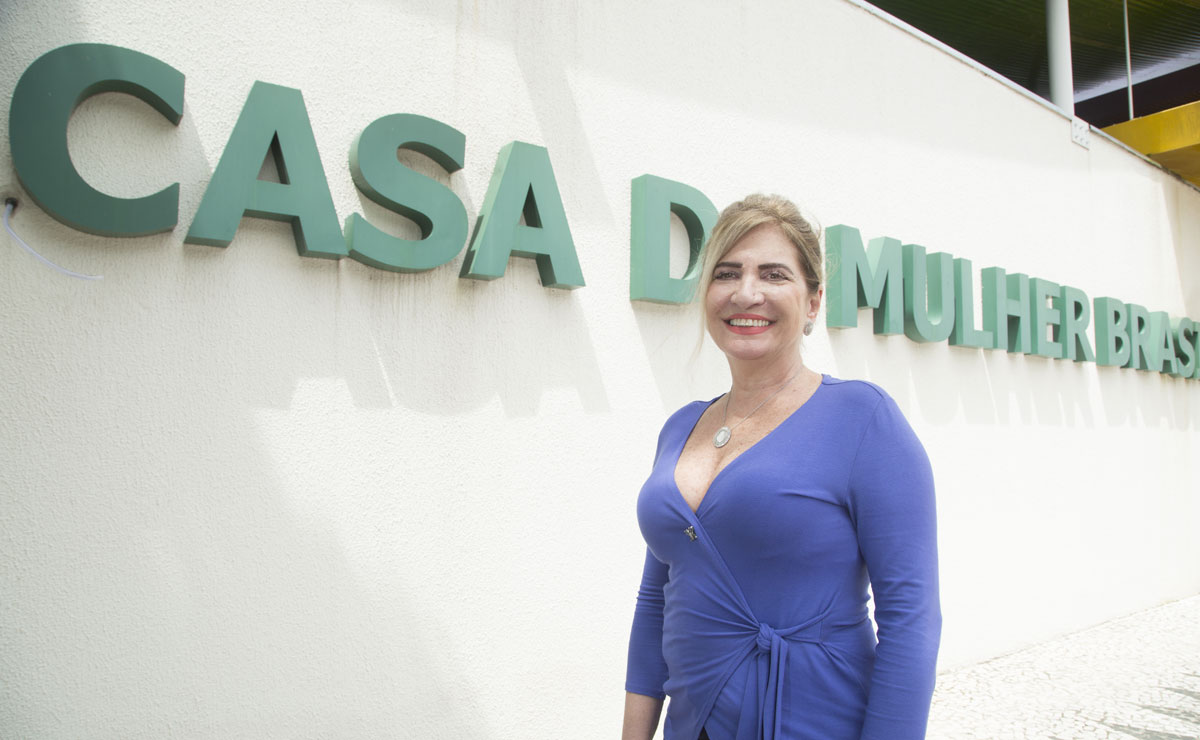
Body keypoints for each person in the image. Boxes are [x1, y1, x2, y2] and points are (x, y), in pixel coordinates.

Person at [621, 194, 941, 740]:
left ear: (813, 302)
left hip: (811, 722)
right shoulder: (680, 427)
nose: (747, 293)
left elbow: (910, 619)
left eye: (773, 274)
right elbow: (658, 597)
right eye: (727, 273)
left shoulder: (863, 419)